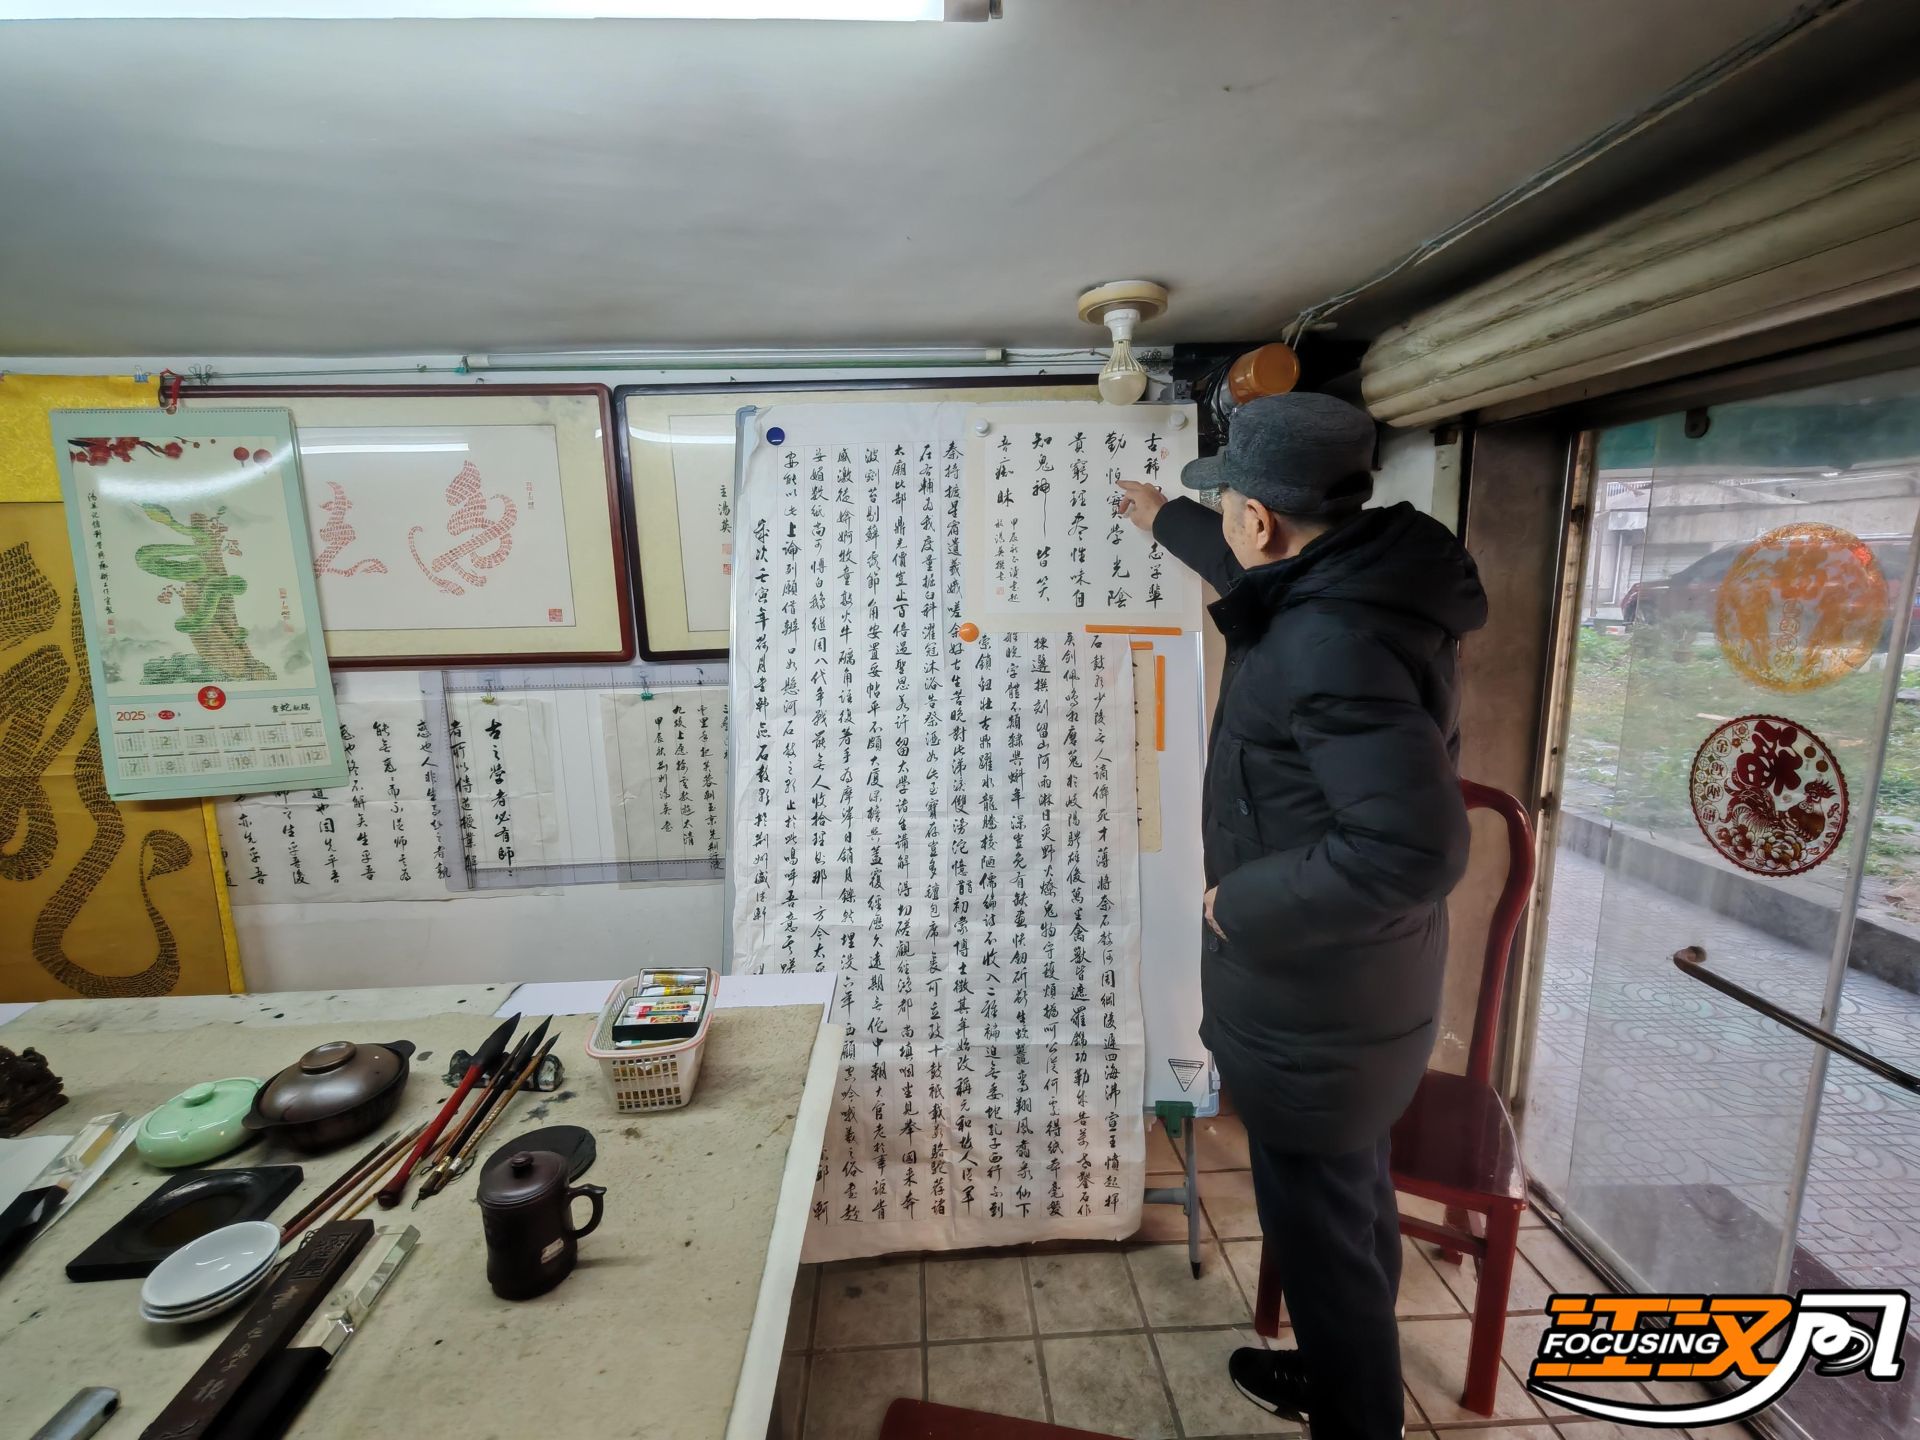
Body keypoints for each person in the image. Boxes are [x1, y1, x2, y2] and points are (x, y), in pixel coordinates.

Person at [1116, 391, 1487, 1440]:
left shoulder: (1328, 641)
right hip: (1356, 992)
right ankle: (1341, 1377)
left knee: (1322, 1241)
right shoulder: (1353, 577)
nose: (1227, 521)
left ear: (1260, 518)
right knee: (1347, 1207)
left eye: (1226, 503)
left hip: (1315, 1003)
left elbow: (1416, 850)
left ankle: (1355, 1412)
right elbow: (1251, 577)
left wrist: (1237, 901)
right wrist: (1161, 515)